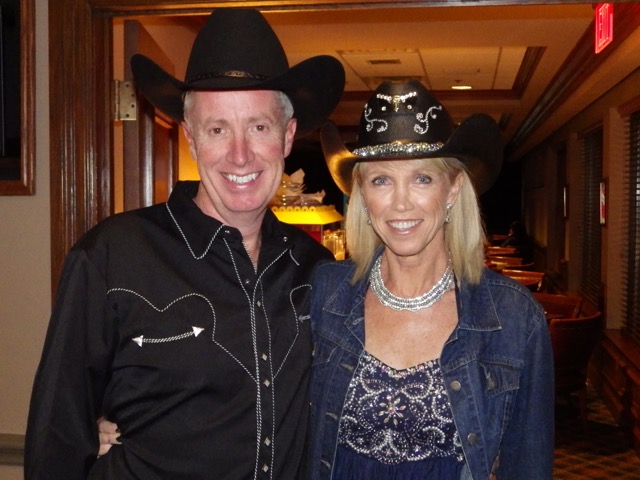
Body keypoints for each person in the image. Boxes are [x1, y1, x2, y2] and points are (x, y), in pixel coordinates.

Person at [24, 8, 344, 479]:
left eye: (259, 127)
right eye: (217, 129)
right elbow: (57, 439)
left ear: (287, 136)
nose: (240, 154)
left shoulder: (316, 268)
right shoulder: (112, 256)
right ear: (191, 138)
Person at [308, 80, 554, 479]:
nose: (400, 202)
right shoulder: (325, 293)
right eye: (381, 180)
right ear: (363, 196)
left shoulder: (514, 317)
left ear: (453, 189)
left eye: (422, 178)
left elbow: (528, 465)